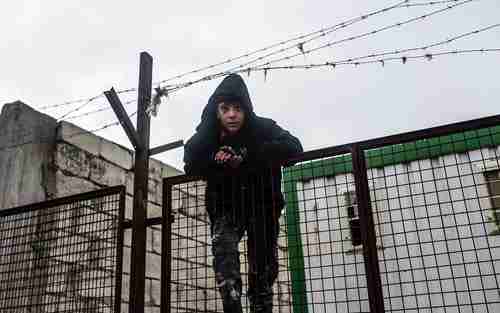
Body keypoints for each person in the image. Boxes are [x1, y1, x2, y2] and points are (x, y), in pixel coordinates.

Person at [184, 73, 303, 313]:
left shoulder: (263, 128)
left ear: (246, 110)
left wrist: (250, 154)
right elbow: (191, 162)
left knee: (263, 271)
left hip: (262, 207)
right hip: (227, 208)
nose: (231, 114)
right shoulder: (208, 135)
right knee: (225, 262)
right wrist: (215, 160)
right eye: (225, 108)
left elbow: (295, 148)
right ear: (216, 112)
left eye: (237, 108)